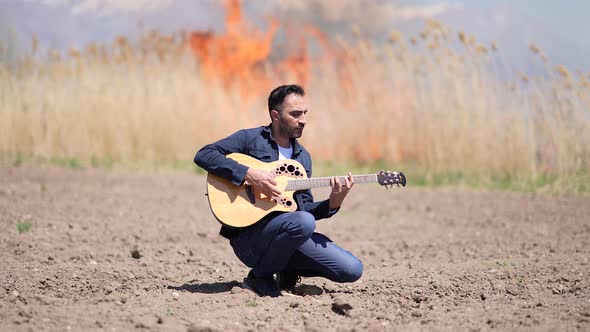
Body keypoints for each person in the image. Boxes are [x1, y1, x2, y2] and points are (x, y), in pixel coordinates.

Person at [194, 84, 363, 297]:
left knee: (352, 269)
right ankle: (260, 276)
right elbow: (204, 155)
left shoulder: (303, 157)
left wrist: (334, 202)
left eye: (305, 113)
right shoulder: (250, 139)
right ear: (275, 115)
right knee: (304, 222)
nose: (303, 120)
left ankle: (286, 269)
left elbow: (304, 209)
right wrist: (249, 174)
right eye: (295, 114)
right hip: (249, 239)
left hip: (288, 231)